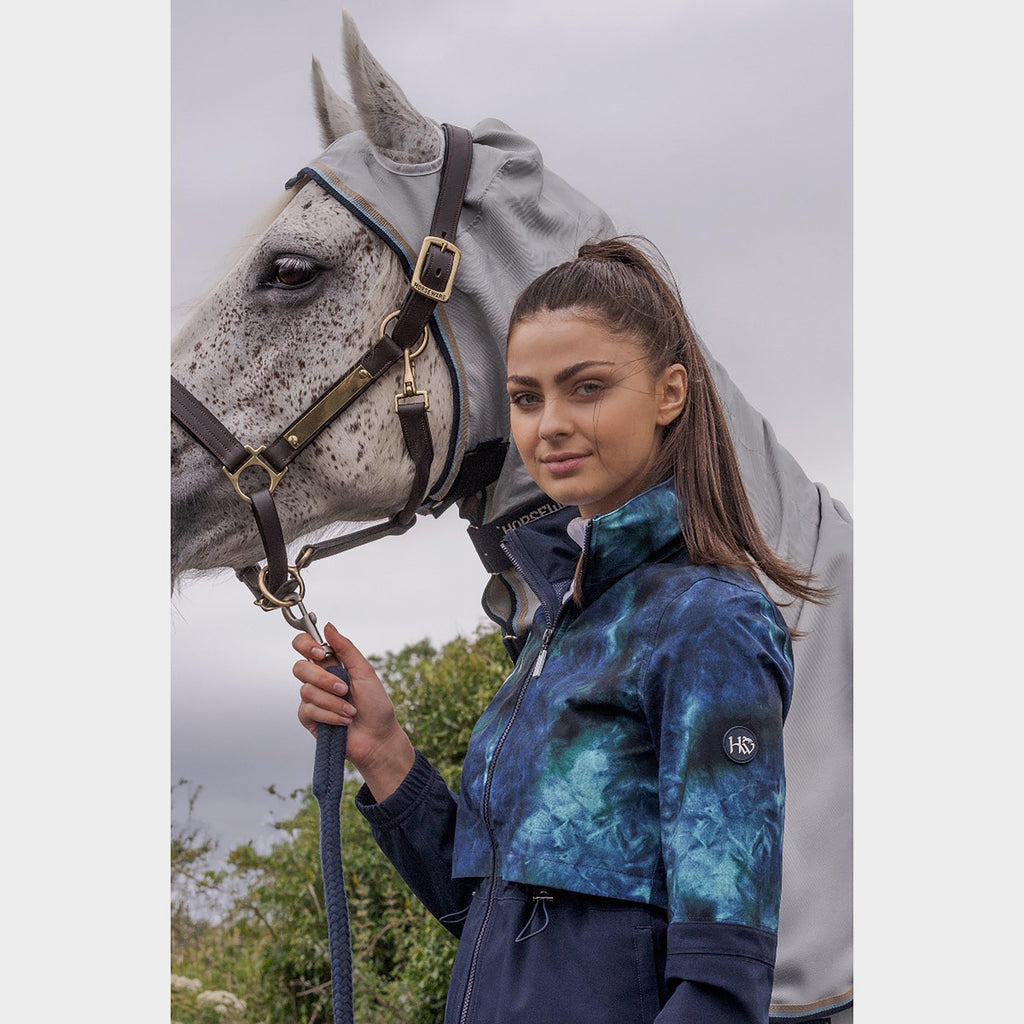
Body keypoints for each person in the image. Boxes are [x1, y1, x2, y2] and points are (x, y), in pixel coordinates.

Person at [292, 237, 824, 1024]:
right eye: (528, 396)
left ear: (669, 392)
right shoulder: (560, 624)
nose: (551, 425)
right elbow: (488, 919)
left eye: (587, 388)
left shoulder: (710, 622)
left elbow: (722, 978)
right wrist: (385, 753)